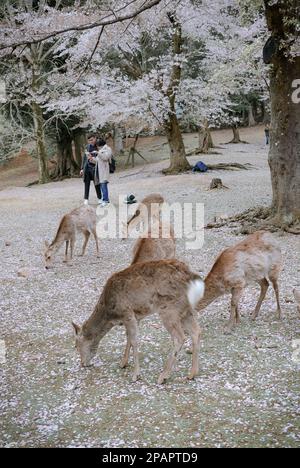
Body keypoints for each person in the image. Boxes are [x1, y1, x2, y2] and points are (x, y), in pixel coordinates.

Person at [80, 134, 102, 206]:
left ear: (95, 138)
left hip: (96, 167)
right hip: (87, 168)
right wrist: (82, 169)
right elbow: (84, 158)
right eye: (89, 140)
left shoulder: (99, 146)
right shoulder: (87, 147)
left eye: (92, 140)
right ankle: (86, 199)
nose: (91, 141)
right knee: (86, 183)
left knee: (97, 184)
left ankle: (99, 198)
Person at [96, 138, 113, 207]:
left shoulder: (108, 149)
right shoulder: (100, 150)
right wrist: (91, 159)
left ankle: (105, 200)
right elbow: (97, 160)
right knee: (102, 186)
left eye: (98, 145)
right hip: (100, 170)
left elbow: (106, 157)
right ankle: (106, 200)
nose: (97, 147)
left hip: (104, 170)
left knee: (103, 185)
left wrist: (98, 153)